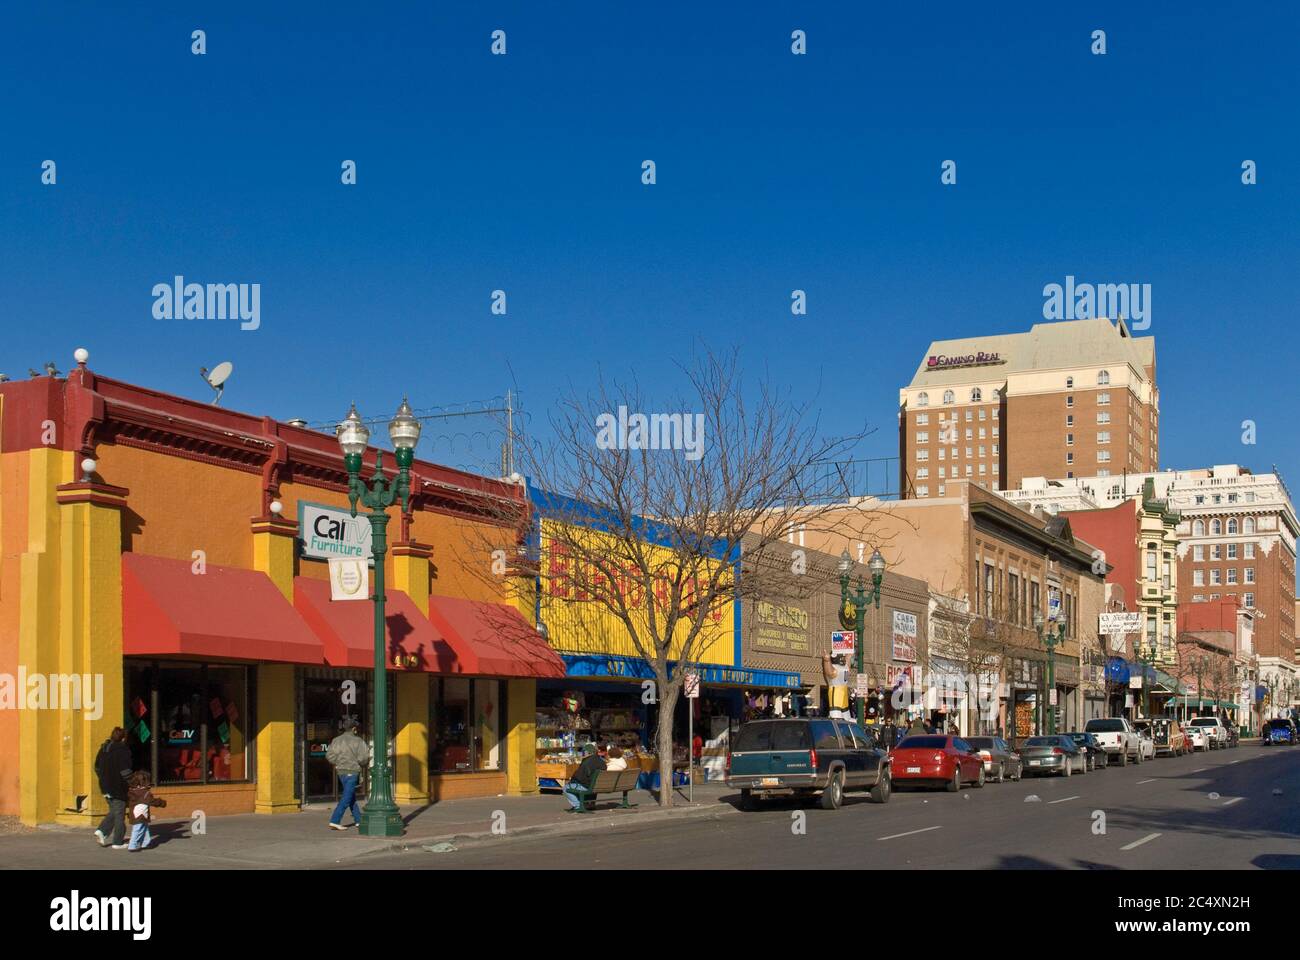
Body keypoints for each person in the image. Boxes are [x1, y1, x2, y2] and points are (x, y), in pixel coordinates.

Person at [326, 717, 371, 831]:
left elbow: (329, 755)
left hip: (341, 771)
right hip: (352, 771)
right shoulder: (358, 741)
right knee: (347, 797)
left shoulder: (336, 740)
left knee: (351, 796)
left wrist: (338, 762)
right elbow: (363, 758)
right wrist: (359, 763)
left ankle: (358, 820)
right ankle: (335, 820)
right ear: (354, 729)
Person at [93, 727, 134, 850]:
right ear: (123, 738)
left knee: (115, 810)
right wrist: (132, 782)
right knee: (120, 814)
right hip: (117, 787)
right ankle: (117, 841)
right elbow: (125, 771)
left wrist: (103, 778)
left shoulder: (103, 749)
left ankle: (102, 831)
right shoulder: (122, 751)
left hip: (105, 786)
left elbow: (96, 767)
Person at [125, 770, 167, 851]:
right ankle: (132, 845)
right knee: (138, 829)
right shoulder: (145, 793)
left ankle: (145, 842)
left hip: (135, 814)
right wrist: (162, 803)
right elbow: (152, 801)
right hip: (140, 815)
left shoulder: (132, 791)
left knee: (144, 828)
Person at [563, 743, 607, 813]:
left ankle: (578, 806)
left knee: (566, 788)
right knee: (589, 783)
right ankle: (590, 804)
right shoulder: (602, 762)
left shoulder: (586, 762)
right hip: (597, 786)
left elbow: (579, 777)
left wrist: (572, 780)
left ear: (587, 752)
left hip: (588, 786)